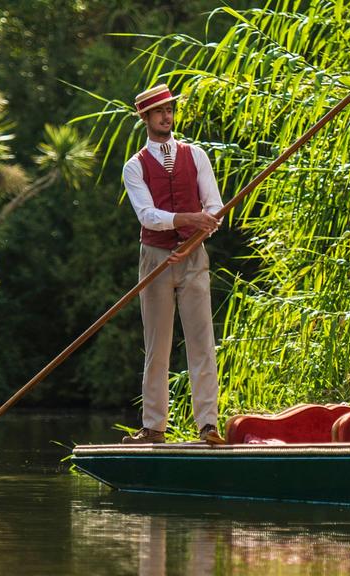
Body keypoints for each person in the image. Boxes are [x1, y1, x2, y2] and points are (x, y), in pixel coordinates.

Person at [120, 83, 225, 445]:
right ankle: (154, 427)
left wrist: (195, 236)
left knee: (202, 343)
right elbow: (148, 216)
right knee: (158, 345)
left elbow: (214, 210)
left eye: (170, 110)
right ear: (146, 118)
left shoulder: (195, 155)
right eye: (160, 112)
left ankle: (208, 425)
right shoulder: (134, 167)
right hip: (155, 258)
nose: (167, 117)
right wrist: (185, 221)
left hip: (194, 256)